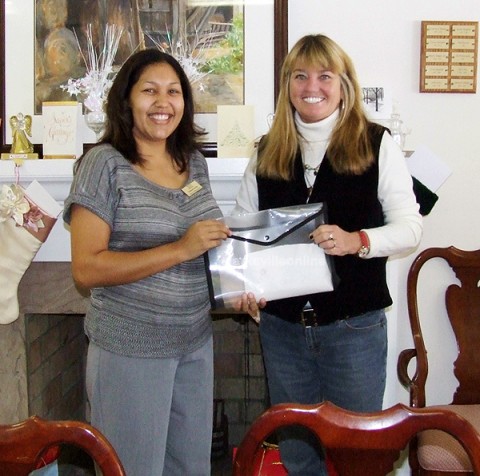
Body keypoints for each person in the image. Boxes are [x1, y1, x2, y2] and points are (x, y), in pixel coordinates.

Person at [233, 34, 423, 476]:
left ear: (343, 85)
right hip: (282, 334)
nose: (311, 86)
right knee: (299, 457)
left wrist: (359, 240)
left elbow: (410, 227)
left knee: (359, 456)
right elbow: (242, 239)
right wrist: (244, 288)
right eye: (300, 76)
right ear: (287, 86)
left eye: (324, 75)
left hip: (354, 329)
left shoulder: (377, 144)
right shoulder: (265, 152)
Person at [63, 48, 253, 476]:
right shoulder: (104, 164)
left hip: (194, 343)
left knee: (191, 468)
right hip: (130, 348)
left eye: (173, 92)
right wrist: (179, 249)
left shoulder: (195, 163)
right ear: (126, 100)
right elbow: (86, 269)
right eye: (149, 91)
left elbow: (206, 249)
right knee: (133, 469)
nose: (162, 102)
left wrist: (237, 289)